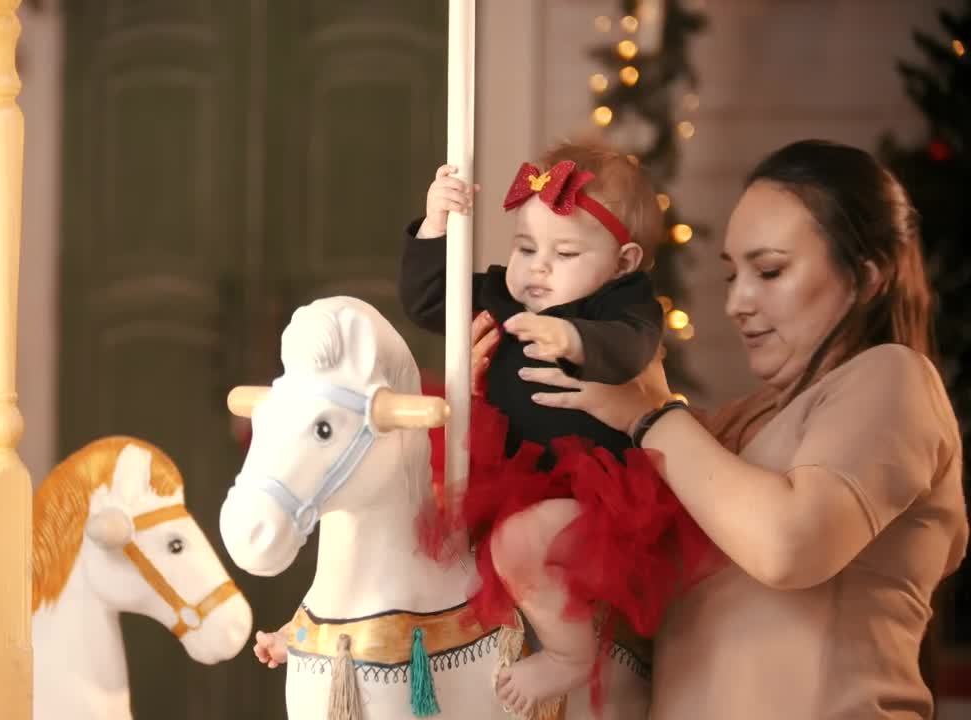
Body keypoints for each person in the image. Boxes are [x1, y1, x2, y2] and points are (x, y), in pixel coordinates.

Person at [485, 139, 968, 719]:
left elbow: (789, 546)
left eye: (769, 271)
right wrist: (496, 391)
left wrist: (651, 415)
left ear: (866, 276)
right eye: (732, 274)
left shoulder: (892, 379)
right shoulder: (727, 426)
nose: (738, 302)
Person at [395, 140, 717, 715]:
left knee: (522, 541)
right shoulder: (501, 294)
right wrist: (435, 223)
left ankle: (571, 655)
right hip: (509, 479)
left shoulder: (619, 309)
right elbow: (429, 303)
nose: (537, 267)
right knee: (421, 521)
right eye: (526, 246)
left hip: (593, 497)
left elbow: (630, 348)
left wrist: (574, 339)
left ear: (622, 263)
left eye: (564, 253)